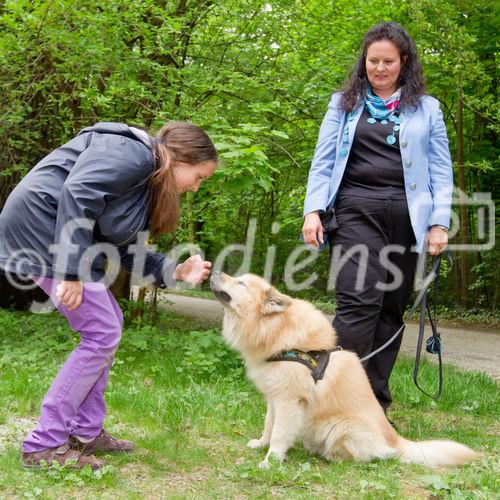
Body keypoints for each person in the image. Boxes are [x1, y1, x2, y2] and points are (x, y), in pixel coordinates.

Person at [0, 121, 218, 470]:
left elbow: (125, 248)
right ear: (181, 157)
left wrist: (174, 270)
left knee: (108, 323)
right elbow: (77, 193)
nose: (195, 188)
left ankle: (84, 431)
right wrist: (71, 271)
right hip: (41, 229)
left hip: (56, 235)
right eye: (199, 177)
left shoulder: (144, 183)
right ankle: (44, 444)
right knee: (102, 330)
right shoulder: (133, 154)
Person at [302, 22, 453, 414]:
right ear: (363, 62)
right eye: (373, 61)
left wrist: (439, 222)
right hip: (355, 211)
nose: (380, 68)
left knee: (390, 309)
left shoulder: (428, 108)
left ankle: (373, 405)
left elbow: (441, 171)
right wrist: (312, 210)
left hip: (409, 219)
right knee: (356, 304)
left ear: (404, 63)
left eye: (388, 61)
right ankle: (334, 401)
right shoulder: (343, 103)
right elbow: (322, 163)